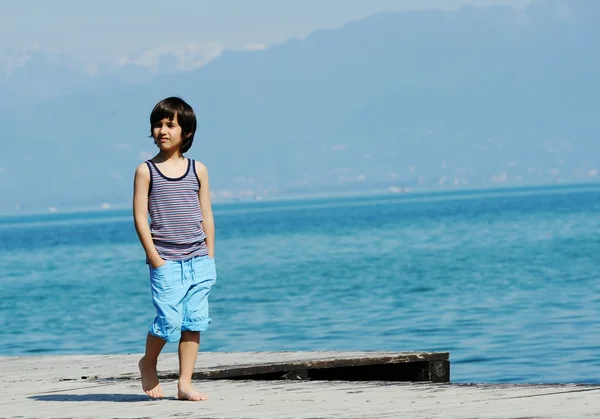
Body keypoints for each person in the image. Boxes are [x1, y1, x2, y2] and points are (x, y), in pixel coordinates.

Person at [132, 96, 216, 401]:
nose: (162, 130)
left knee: (194, 322)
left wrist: (210, 255)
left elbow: (206, 214)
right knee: (169, 321)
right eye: (158, 124)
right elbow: (140, 216)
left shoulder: (198, 170)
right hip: (165, 260)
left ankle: (184, 383)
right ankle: (148, 361)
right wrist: (154, 257)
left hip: (198, 259)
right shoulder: (146, 171)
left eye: (170, 125)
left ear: (187, 132)